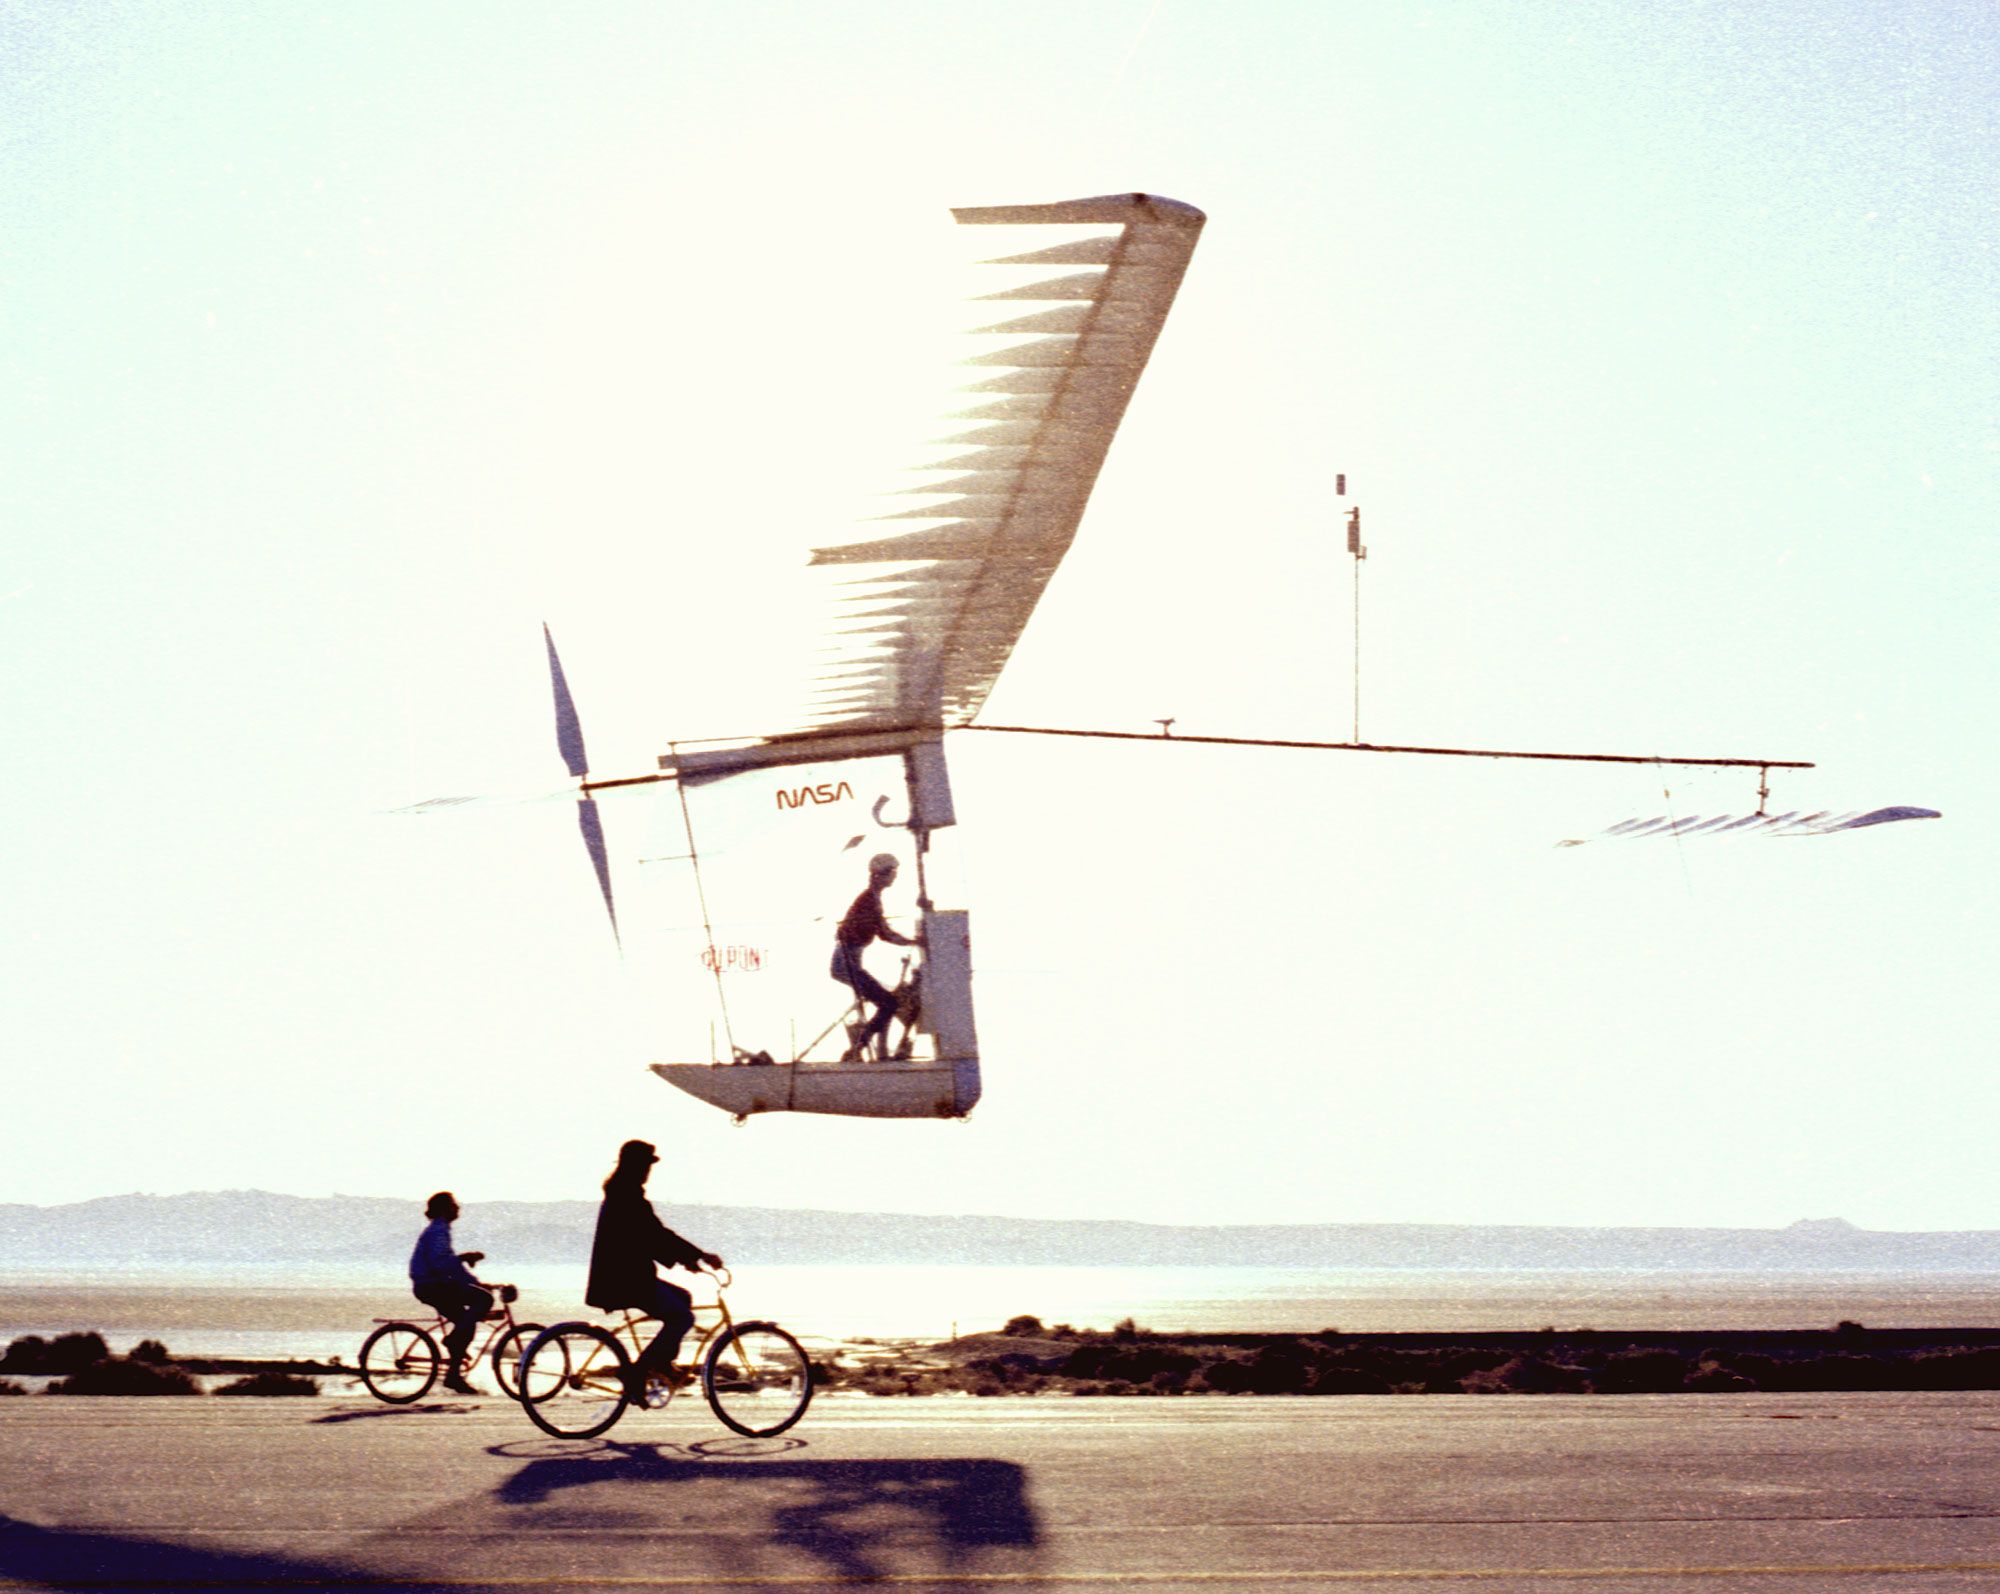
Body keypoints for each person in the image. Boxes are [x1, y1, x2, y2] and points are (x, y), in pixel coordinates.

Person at [585, 1138, 722, 1399]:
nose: (649, 1171)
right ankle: (636, 1372)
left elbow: (650, 1236)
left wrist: (688, 1259)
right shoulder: (627, 1195)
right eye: (646, 1165)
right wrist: (698, 1255)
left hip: (627, 1275)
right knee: (683, 1318)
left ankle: (661, 1364)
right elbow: (653, 1234)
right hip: (625, 1279)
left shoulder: (623, 1191)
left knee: (683, 1298)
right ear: (635, 1166)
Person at [831, 851, 921, 1062]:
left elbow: (882, 932)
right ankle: (856, 1050)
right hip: (846, 963)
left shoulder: (871, 899)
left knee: (887, 1000)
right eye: (892, 872)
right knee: (889, 1004)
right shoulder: (869, 901)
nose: (895, 876)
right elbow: (885, 934)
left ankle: (860, 1048)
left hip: (848, 961)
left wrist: (911, 940)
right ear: (880, 875)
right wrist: (915, 941)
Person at [407, 1191, 491, 1396]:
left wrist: (476, 1282)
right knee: (484, 1299)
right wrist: (465, 1258)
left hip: (431, 1284)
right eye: (454, 1205)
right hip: (432, 1285)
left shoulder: (439, 1230)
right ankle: (453, 1343)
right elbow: (442, 1264)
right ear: (445, 1209)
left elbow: (452, 1268)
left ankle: (453, 1376)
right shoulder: (438, 1230)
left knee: (466, 1325)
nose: (458, 1208)